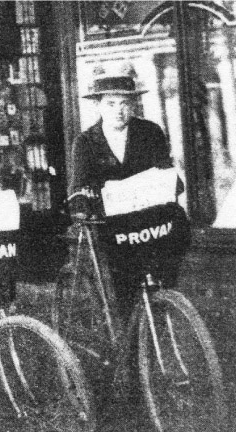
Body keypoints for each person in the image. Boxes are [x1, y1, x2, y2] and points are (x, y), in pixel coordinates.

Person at [69, 75, 187, 323]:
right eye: (111, 104)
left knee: (175, 229)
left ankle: (160, 303)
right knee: (122, 294)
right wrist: (86, 200)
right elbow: (77, 190)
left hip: (148, 222)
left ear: (133, 106)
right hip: (113, 228)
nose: (118, 111)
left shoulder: (150, 132)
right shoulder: (86, 143)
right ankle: (127, 342)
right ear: (98, 105)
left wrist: (168, 182)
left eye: (124, 103)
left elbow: (167, 174)